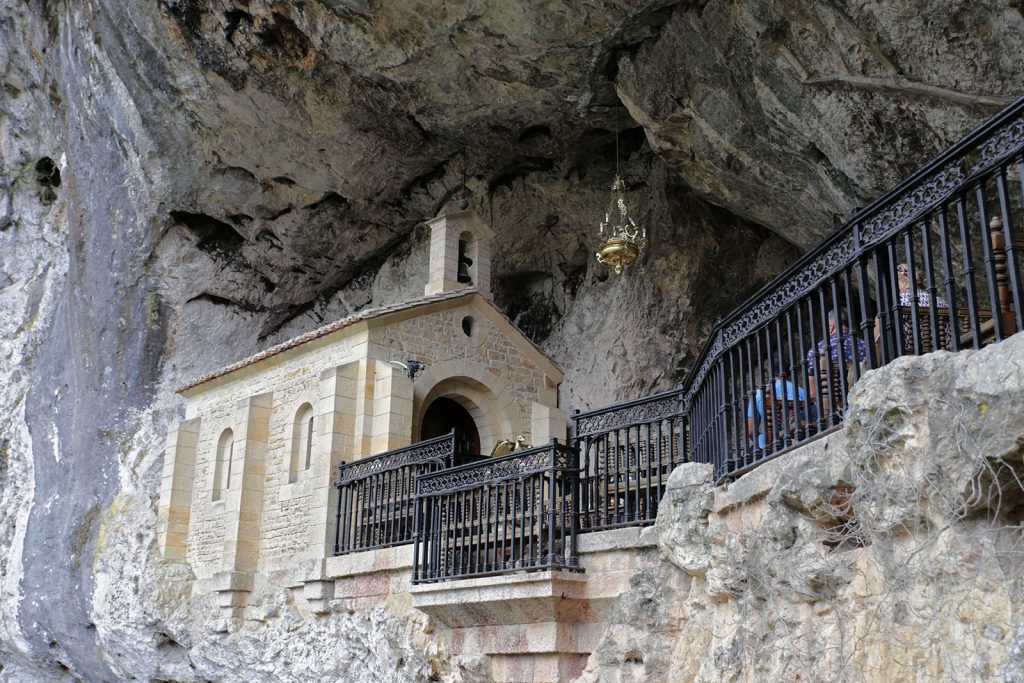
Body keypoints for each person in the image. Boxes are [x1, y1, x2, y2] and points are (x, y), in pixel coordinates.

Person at [806, 308, 867, 400]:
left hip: (830, 406)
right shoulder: (865, 346)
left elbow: (813, 393)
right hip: (861, 399)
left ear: (831, 327)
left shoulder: (816, 350)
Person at [747, 364, 806, 449]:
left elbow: (750, 431)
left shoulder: (758, 394)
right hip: (799, 431)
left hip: (772, 439)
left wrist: (761, 441)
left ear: (770, 374)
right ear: (788, 373)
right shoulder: (800, 390)